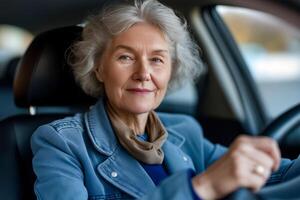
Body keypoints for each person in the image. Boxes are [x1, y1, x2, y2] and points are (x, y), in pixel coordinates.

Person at [31, 0, 300, 199]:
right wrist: (201, 188)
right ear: (98, 68)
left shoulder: (184, 130)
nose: (143, 74)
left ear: (171, 70)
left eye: (157, 60)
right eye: (125, 57)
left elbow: (275, 176)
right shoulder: (61, 142)